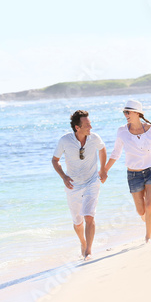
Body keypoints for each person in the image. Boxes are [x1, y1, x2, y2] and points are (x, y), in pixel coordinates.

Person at [105, 100, 151, 243]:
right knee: (141, 211)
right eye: (124, 112)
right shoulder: (122, 131)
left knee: (150, 205)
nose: (125, 114)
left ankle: (148, 237)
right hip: (134, 175)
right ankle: (147, 218)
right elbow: (115, 153)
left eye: (128, 112)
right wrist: (105, 171)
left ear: (137, 113)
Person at [52, 110, 108, 260]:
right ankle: (83, 243)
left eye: (90, 124)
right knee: (78, 222)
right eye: (87, 125)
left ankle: (88, 251)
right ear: (77, 127)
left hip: (92, 181)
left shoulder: (94, 138)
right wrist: (63, 177)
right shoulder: (65, 141)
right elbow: (55, 160)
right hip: (73, 185)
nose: (91, 127)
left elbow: (102, 149)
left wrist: (103, 169)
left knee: (89, 216)